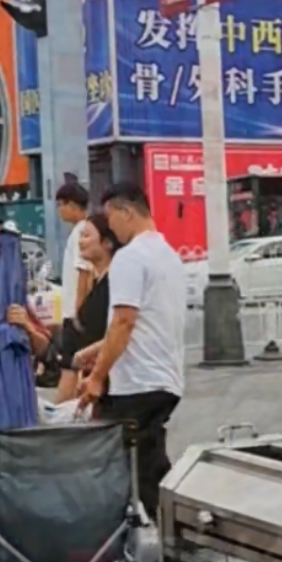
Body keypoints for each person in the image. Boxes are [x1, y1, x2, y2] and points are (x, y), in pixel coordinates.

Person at [76, 182, 186, 520]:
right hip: (164, 377)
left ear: (126, 212)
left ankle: (179, 540)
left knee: (137, 470)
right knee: (146, 465)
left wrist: (97, 377)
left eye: (111, 217)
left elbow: (124, 321)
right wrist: (96, 351)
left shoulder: (130, 257)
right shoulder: (169, 256)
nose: (111, 227)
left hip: (137, 382)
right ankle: (170, 534)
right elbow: (144, 322)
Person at [57, 211, 117, 402]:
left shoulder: (113, 283)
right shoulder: (99, 281)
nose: (81, 241)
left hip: (110, 383)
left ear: (107, 243)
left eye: (87, 236)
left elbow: (119, 331)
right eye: (81, 236)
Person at [55, 174, 92, 325]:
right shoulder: (84, 228)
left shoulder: (82, 231)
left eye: (60, 205)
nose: (59, 210)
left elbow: (84, 272)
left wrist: (78, 312)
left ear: (72, 205)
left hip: (74, 314)